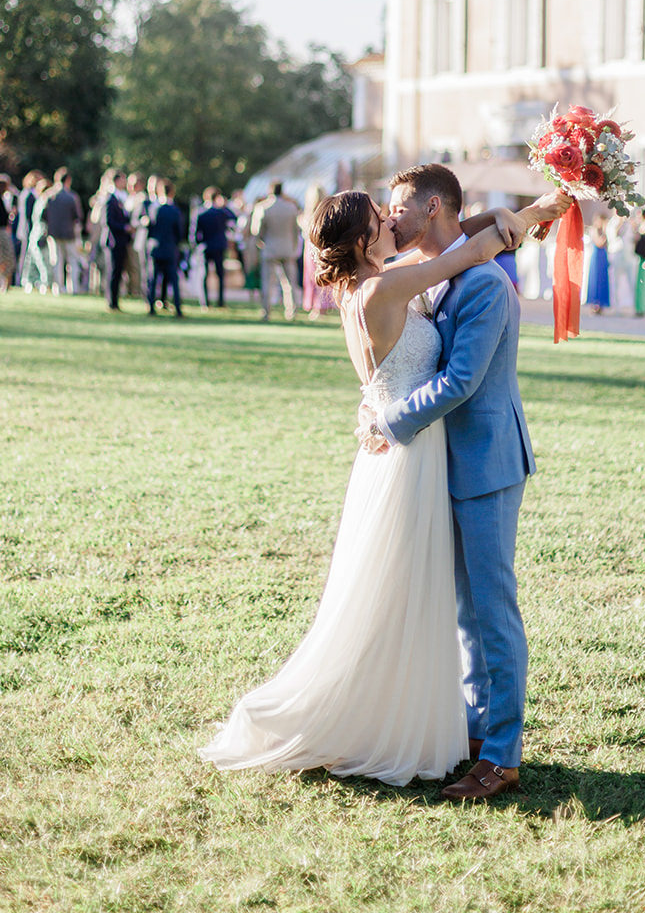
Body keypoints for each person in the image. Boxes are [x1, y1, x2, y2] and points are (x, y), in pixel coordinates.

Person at [201, 179, 565, 788]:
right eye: (381, 214)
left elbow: (457, 239)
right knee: (425, 603)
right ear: (367, 236)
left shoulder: (374, 280)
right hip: (408, 454)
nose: (392, 220)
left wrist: (520, 213)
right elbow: (462, 252)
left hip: (426, 455)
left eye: (399, 209)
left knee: (468, 606)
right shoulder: (388, 283)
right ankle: (451, 733)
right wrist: (508, 219)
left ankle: (487, 744)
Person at [251, 181, 300, 322]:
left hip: (269, 248)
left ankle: (266, 312)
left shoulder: (263, 207)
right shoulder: (291, 207)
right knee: (290, 284)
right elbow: (295, 230)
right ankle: (292, 312)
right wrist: (293, 246)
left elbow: (257, 231)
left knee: (267, 282)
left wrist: (260, 243)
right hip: (287, 248)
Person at [147, 179, 185, 317]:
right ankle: (178, 308)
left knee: (152, 279)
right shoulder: (175, 211)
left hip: (155, 247)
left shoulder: (154, 208)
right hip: (170, 248)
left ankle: (151, 307)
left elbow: (150, 228)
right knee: (173, 280)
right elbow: (179, 232)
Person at [44, 169, 84, 294]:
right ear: (68, 180)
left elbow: (43, 215)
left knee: (56, 261)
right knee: (72, 260)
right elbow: (78, 216)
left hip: (54, 233)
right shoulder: (71, 197)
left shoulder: (49, 195)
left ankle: (58, 287)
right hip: (69, 233)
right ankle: (73, 287)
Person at [196, 188, 236, 309]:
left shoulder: (200, 212)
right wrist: (225, 204)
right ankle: (220, 301)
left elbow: (195, 233)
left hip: (206, 247)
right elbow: (234, 217)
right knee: (220, 275)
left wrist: (198, 244)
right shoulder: (222, 212)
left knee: (205, 274)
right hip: (219, 246)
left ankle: (205, 302)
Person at [300, 185, 335, 318]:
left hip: (313, 247)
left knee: (314, 277)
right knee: (321, 276)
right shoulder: (327, 212)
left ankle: (318, 307)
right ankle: (321, 306)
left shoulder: (311, 214)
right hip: (321, 247)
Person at [104, 171, 132, 311]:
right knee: (113, 271)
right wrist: (124, 227)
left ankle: (115, 300)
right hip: (113, 241)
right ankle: (111, 301)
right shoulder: (111, 199)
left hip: (122, 241)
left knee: (119, 271)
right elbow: (109, 221)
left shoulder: (124, 197)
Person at [583, 214, 611, 313]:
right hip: (596, 256)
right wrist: (604, 232)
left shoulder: (604, 231)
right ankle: (594, 303)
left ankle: (601, 304)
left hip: (603, 256)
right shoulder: (594, 230)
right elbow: (599, 243)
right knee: (595, 279)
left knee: (603, 279)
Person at [632, 208, 645, 313]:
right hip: (639, 257)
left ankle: (644, 307)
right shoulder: (639, 226)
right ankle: (639, 307)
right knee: (639, 283)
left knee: (644, 283)